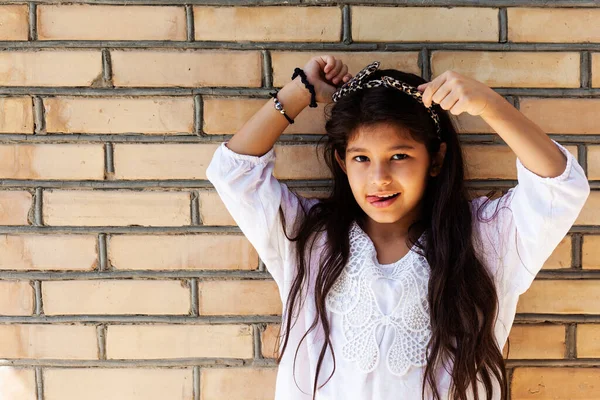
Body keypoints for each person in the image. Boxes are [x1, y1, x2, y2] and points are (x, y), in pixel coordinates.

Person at [205, 55, 590, 400]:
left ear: (435, 159)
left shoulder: (484, 238)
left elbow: (558, 189)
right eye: (361, 157)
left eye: (400, 156)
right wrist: (300, 91)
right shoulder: (307, 239)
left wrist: (487, 104)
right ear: (342, 162)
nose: (379, 178)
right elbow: (233, 173)